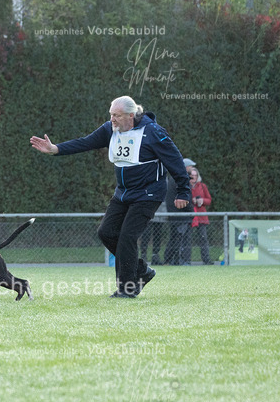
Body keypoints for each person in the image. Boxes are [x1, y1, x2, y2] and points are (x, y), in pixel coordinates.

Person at [30, 96, 190, 298]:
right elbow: (85, 142)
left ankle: (127, 289)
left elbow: (174, 160)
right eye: (111, 114)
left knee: (127, 237)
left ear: (131, 115)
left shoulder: (153, 132)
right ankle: (141, 270)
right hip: (123, 193)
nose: (112, 119)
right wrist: (56, 149)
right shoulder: (109, 129)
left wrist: (183, 191)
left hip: (148, 193)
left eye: (117, 115)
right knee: (106, 232)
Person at [165, 158, 196, 265]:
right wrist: (191, 213)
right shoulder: (181, 179)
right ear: (186, 167)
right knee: (182, 239)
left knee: (174, 238)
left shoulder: (173, 178)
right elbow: (186, 198)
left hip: (174, 214)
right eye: (191, 167)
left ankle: (169, 260)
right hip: (181, 216)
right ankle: (181, 260)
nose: (192, 169)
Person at [188, 166, 214, 264]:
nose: (194, 178)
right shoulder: (186, 186)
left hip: (201, 216)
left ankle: (206, 259)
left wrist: (202, 201)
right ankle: (186, 260)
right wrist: (192, 200)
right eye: (192, 175)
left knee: (203, 238)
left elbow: (209, 200)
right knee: (188, 239)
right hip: (191, 216)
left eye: (195, 175)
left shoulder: (202, 186)